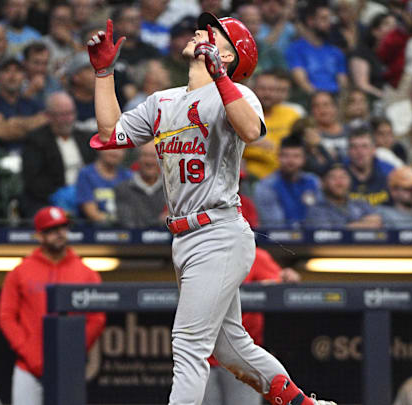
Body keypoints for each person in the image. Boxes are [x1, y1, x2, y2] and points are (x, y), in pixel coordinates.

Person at [86, 13, 336, 405]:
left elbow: (251, 131)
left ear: (228, 54)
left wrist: (221, 76)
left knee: (188, 344)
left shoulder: (236, 92)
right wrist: (103, 74)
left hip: (218, 230)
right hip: (186, 237)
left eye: (214, 30)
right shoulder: (163, 100)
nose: (202, 30)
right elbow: (109, 133)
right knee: (231, 348)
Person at [0, 206, 106, 405]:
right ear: (40, 235)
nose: (60, 233)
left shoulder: (86, 273)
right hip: (28, 367)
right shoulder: (20, 271)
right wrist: (30, 353)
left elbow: (97, 318)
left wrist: (73, 348)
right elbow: (6, 317)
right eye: (52, 229)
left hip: (69, 366)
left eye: (63, 227)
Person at [202, 246, 302, 405]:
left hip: (240, 357)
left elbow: (280, 282)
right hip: (203, 356)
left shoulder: (253, 255)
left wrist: (287, 279)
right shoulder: (202, 253)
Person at [21, 91, 96, 217]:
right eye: (62, 115)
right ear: (49, 116)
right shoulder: (35, 140)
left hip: (87, 196)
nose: (68, 119)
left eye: (71, 113)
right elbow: (33, 180)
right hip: (49, 198)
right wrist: (62, 194)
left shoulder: (85, 138)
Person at [254, 134, 322, 227]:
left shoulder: (313, 181)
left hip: (312, 238)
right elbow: (274, 224)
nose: (291, 161)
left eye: (296, 156)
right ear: (278, 157)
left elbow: (319, 218)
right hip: (278, 239)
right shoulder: (266, 185)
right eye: (285, 156)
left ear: (304, 159)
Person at [305, 163, 381, 229]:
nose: (339, 183)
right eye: (333, 178)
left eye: (343, 177)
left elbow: (377, 222)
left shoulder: (360, 203)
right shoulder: (317, 209)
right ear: (323, 183)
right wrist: (363, 224)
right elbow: (328, 234)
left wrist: (347, 227)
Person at [115, 141, 166, 228]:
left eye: (154, 156)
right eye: (145, 155)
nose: (149, 161)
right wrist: (161, 221)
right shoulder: (123, 188)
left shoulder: (171, 190)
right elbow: (128, 223)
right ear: (138, 159)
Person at [75, 148, 132, 223]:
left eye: (120, 149)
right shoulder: (86, 175)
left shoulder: (129, 176)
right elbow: (92, 214)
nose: (114, 152)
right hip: (94, 230)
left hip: (127, 229)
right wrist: (118, 220)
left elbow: (134, 210)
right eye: (110, 147)